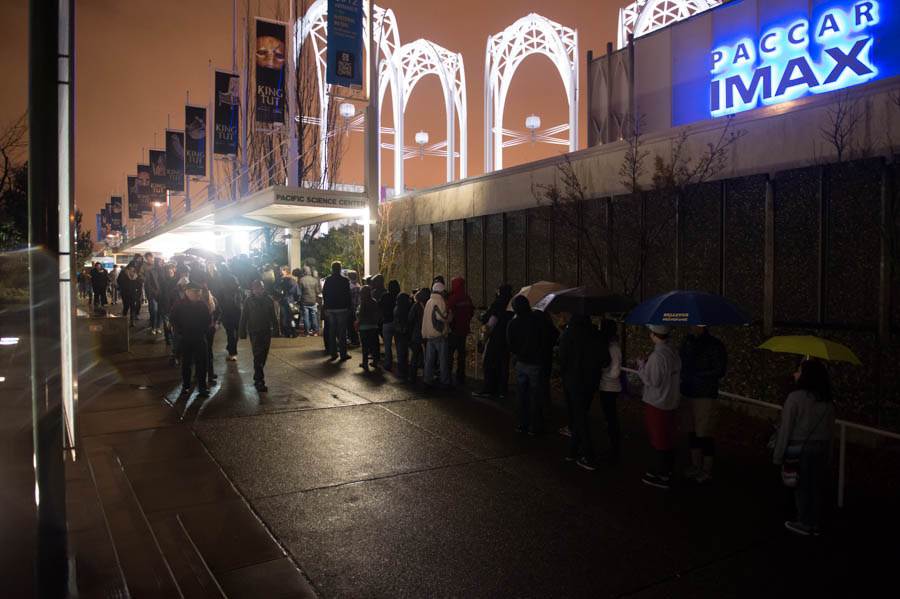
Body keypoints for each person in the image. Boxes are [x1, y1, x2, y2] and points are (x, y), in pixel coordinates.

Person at [774, 359, 835, 536]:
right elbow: (830, 432)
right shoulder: (827, 402)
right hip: (821, 448)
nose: (795, 374)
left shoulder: (795, 398)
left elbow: (786, 429)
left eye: (799, 370)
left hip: (799, 448)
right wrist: (830, 456)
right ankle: (814, 522)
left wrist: (778, 455)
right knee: (816, 486)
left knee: (800, 485)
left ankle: (803, 521)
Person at [558, 314, 610, 470]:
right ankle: (572, 451)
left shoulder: (568, 335)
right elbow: (605, 359)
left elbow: (563, 359)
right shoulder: (597, 335)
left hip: (574, 381)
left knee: (579, 416)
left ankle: (588, 454)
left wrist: (564, 374)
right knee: (581, 413)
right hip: (591, 381)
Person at [680, 325, 728, 483]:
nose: (688, 327)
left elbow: (720, 370)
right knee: (692, 431)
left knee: (705, 433)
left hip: (705, 394)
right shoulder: (687, 342)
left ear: (700, 326)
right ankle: (696, 465)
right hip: (688, 391)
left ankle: (706, 469)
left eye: (691, 324)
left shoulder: (715, 344)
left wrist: (697, 375)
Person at [636, 324, 682, 489]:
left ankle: (661, 474)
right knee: (668, 437)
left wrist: (641, 366)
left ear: (653, 335)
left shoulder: (657, 356)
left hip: (657, 403)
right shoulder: (673, 352)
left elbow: (653, 381)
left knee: (659, 438)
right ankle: (667, 470)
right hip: (671, 401)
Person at [507, 295, 546, 435]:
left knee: (521, 394)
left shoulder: (513, 324)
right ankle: (534, 426)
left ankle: (521, 423)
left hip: (521, 362)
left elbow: (510, 343)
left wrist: (517, 354)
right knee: (535, 395)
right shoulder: (537, 320)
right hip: (536, 361)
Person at [169, 283, 212, 398]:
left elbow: (208, 319)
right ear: (188, 292)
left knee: (202, 363)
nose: (197, 294)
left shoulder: (202, 304)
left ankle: (202, 387)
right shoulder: (179, 304)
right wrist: (180, 331)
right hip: (185, 338)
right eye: (194, 291)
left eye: (198, 292)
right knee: (186, 364)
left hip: (199, 337)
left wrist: (203, 330)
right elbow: (173, 318)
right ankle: (186, 386)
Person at [472, 284, 514, 400]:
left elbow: (489, 318)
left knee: (490, 363)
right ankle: (502, 391)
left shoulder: (498, 303)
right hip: (507, 338)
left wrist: (483, 318)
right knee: (503, 365)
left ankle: (489, 389)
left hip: (495, 337)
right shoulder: (512, 302)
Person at [240, 280, 279, 392]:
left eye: (261, 288)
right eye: (257, 289)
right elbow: (244, 317)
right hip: (254, 332)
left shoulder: (268, 300)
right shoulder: (248, 301)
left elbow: (273, 315)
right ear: (253, 289)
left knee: (264, 355)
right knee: (257, 355)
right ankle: (259, 380)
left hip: (266, 331)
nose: (259, 291)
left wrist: (276, 328)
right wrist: (242, 331)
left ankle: (257, 375)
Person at [598, 319, 623, 461]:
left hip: (610, 387)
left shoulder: (613, 349)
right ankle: (612, 445)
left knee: (611, 418)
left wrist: (603, 371)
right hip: (607, 387)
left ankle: (614, 447)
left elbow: (615, 373)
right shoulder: (611, 346)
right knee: (609, 417)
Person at [422, 281, 451, 389]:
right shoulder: (440, 301)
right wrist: (450, 315)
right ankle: (445, 381)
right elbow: (442, 317)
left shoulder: (429, 301)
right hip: (439, 334)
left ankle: (427, 380)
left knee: (429, 359)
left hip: (430, 335)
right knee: (443, 359)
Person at [446, 277, 474, 385]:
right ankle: (461, 376)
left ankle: (447, 376)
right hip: (464, 330)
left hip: (453, 330)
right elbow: (471, 312)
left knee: (450, 354)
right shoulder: (467, 298)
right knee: (461, 355)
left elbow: (448, 311)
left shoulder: (453, 298)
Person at [322, 261, 352, 361]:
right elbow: (348, 295)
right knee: (342, 332)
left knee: (332, 331)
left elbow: (325, 294)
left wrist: (326, 307)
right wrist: (349, 307)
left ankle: (333, 353)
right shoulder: (344, 280)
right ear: (340, 268)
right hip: (342, 308)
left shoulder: (328, 280)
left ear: (332, 268)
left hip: (331, 309)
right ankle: (343, 353)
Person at [219, 275, 243, 361]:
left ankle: (230, 347)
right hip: (229, 315)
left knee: (234, 335)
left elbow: (242, 300)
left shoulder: (239, 290)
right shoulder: (224, 291)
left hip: (234, 315)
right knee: (232, 334)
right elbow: (220, 303)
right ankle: (232, 353)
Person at [407, 287, 429, 383]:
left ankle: (413, 375)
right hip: (427, 333)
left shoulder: (416, 306)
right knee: (428, 355)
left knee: (415, 355)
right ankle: (427, 375)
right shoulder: (429, 305)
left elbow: (410, 319)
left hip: (416, 333)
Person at [357, 285, 380, 372]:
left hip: (364, 327)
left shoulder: (363, 302)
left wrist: (358, 320)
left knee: (365, 346)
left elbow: (361, 314)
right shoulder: (374, 301)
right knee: (374, 345)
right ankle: (375, 362)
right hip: (373, 326)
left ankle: (365, 362)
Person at [379, 279, 399, 371]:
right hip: (397, 323)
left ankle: (388, 363)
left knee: (387, 345)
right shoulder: (399, 296)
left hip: (386, 322)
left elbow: (379, 306)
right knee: (399, 345)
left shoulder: (385, 296)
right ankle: (401, 363)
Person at [203, 285, 219, 387]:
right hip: (210, 328)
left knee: (203, 351)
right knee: (208, 350)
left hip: (203, 329)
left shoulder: (198, 302)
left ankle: (203, 374)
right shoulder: (212, 300)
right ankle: (210, 373)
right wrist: (214, 322)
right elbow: (218, 311)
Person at [393, 291, 412, 379]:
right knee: (404, 353)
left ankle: (401, 371)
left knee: (400, 353)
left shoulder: (397, 308)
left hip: (398, 333)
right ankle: (405, 370)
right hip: (405, 333)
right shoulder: (407, 309)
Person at [158, 263, 178, 346]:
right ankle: (168, 338)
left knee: (173, 323)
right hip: (165, 305)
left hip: (173, 306)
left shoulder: (177, 281)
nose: (170, 272)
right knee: (167, 324)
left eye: (171, 270)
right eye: (168, 271)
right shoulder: (163, 282)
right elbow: (160, 294)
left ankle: (170, 338)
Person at [278, 266, 300, 337]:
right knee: (292, 317)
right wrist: (297, 301)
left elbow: (278, 291)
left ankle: (286, 332)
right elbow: (298, 293)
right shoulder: (294, 282)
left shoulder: (281, 282)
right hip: (292, 301)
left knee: (284, 317)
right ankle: (293, 332)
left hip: (283, 301)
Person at [299, 265, 321, 336]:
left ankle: (307, 333)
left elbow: (299, 292)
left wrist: (299, 300)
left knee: (306, 317)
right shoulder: (314, 280)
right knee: (314, 316)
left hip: (304, 301)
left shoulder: (301, 280)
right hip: (313, 301)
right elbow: (317, 291)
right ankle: (315, 332)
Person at [143, 254, 161, 334]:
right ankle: (153, 327)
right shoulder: (149, 270)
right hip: (153, 293)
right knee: (154, 310)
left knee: (160, 311)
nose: (161, 264)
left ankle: (158, 327)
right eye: (160, 262)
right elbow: (148, 283)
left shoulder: (163, 270)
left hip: (161, 293)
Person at [347, 270, 362, 347]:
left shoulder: (349, 286)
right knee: (355, 325)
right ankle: (356, 340)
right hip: (357, 308)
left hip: (351, 308)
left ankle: (354, 341)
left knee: (350, 326)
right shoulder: (358, 285)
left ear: (349, 277)